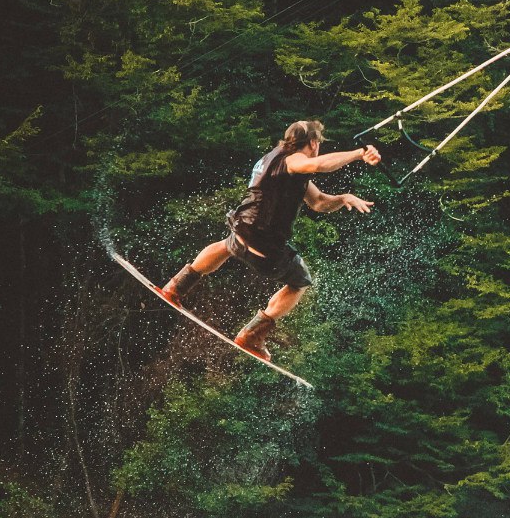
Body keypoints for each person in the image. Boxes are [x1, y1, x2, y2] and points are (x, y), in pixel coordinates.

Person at [158, 120, 380, 360]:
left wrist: (344, 197)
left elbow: (318, 202)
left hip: (244, 227)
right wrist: (359, 153)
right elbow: (317, 165)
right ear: (314, 143)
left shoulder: (275, 160)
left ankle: (176, 287)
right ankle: (252, 334)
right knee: (300, 281)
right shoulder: (293, 160)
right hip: (266, 241)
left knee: (229, 244)